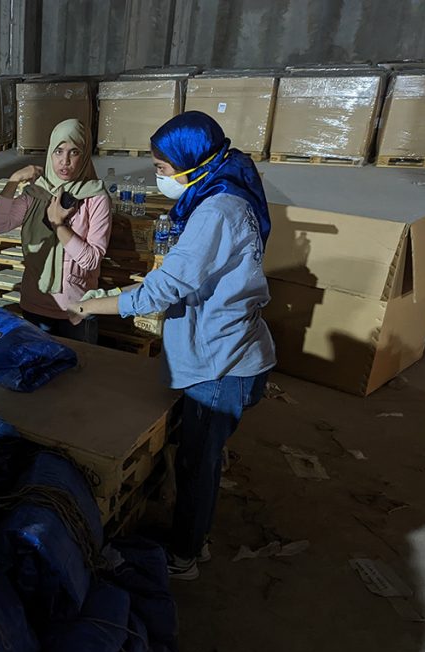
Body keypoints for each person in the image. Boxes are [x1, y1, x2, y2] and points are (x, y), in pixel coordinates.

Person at [68, 111, 276, 580]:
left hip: (222, 362)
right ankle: (190, 532)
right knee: (198, 450)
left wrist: (92, 306)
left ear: (192, 165)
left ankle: (186, 554)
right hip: (226, 345)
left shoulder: (216, 212)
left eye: (162, 169)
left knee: (198, 463)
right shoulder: (225, 188)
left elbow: (165, 289)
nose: (157, 177)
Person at [0, 118, 111, 343]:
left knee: (79, 374)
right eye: (58, 151)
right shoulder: (37, 193)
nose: (65, 161)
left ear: (84, 156)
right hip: (34, 304)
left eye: (74, 152)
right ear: (50, 154)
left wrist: (59, 226)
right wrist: (13, 181)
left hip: (76, 310)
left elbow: (91, 260)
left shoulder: (95, 198)